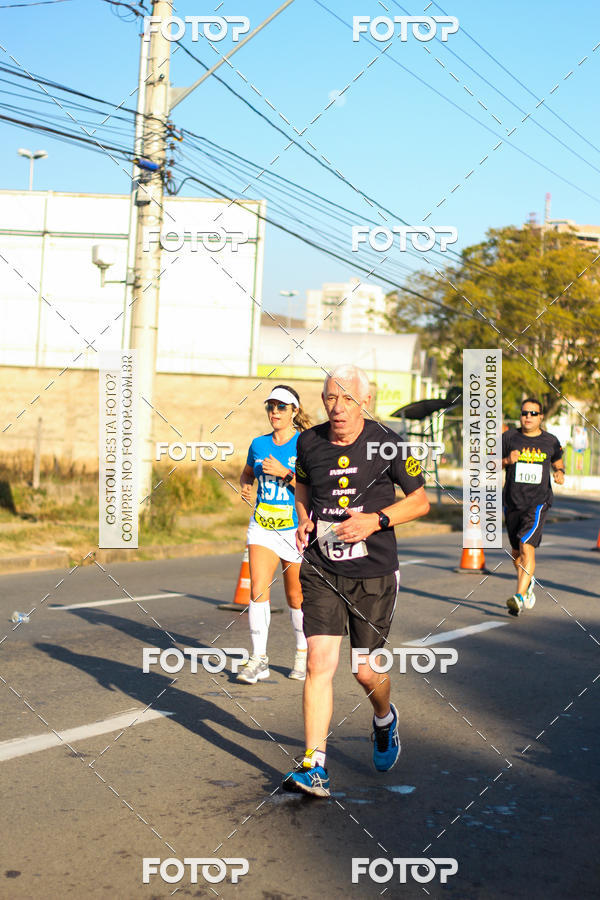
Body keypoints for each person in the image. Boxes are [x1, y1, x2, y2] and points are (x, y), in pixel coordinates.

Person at [282, 364, 430, 797]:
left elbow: (420, 502)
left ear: (365, 401)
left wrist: (375, 520)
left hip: (374, 573)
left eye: (347, 399)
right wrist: (305, 518)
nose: (338, 407)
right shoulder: (309, 441)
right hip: (322, 566)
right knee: (317, 664)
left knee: (365, 671)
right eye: (331, 398)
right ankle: (315, 766)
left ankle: (384, 718)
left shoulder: (390, 444)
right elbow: (303, 485)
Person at [237, 385, 311, 683]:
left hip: (294, 528)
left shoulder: (305, 444)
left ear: (294, 411)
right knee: (257, 590)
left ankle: (303, 653)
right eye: (271, 407)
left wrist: (284, 473)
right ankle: (258, 659)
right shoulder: (258, 444)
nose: (275, 412)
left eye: (282, 407)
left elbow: (315, 487)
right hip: (262, 527)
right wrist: (245, 484)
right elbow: (247, 471)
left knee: (295, 595)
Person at [502, 398, 564, 617]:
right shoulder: (509, 438)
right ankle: (527, 585)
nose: (528, 417)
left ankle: (518, 596)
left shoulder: (550, 441)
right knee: (516, 553)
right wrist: (507, 461)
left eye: (533, 413)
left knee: (526, 544)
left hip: (538, 502)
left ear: (541, 417)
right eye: (524, 413)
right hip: (512, 502)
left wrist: (559, 472)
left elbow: (557, 459)